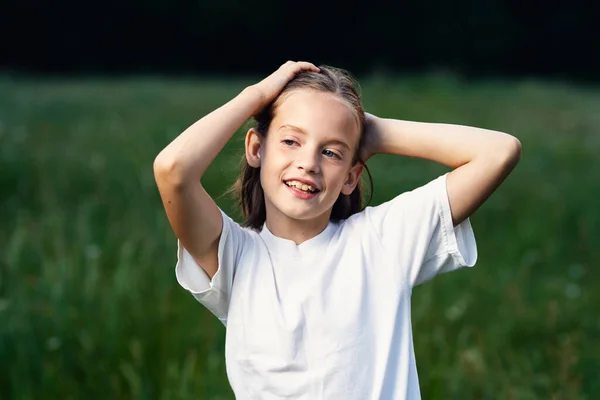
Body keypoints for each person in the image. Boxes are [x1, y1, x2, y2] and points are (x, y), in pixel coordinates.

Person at [153, 61, 522, 399]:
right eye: (290, 141)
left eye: (331, 152)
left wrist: (373, 132)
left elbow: (499, 151)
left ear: (350, 176)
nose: (308, 163)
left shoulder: (381, 240)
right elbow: (173, 170)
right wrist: (257, 96)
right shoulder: (232, 257)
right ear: (256, 149)